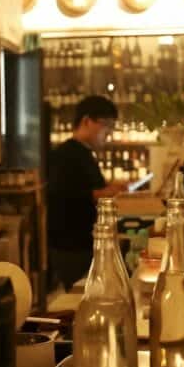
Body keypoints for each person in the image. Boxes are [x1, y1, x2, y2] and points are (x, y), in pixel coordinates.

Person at [47, 95, 128, 291]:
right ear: (86, 121)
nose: (109, 132)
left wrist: (109, 188)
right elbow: (68, 195)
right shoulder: (66, 154)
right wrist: (106, 192)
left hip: (82, 242)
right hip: (72, 245)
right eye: (106, 124)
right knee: (80, 295)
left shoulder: (83, 153)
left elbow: (87, 186)